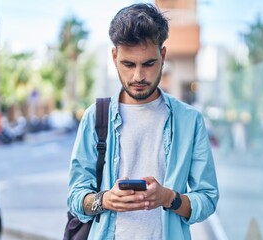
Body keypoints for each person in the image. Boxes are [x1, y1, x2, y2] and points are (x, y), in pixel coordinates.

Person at [67, 3, 219, 240]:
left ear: (163, 56)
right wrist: (105, 199)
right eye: (128, 64)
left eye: (148, 63)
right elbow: (76, 196)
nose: (138, 76)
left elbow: (208, 198)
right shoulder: (95, 116)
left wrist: (168, 198)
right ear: (115, 57)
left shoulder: (190, 121)